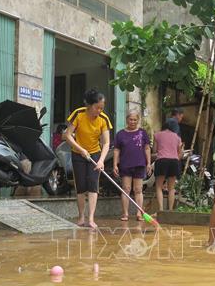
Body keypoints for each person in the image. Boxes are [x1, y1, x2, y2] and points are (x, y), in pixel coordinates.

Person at [63, 89, 112, 229]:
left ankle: (90, 219)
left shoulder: (103, 119)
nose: (100, 111)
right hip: (78, 153)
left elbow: (107, 142)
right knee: (81, 187)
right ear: (90, 105)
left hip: (95, 154)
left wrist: (101, 160)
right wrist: (81, 149)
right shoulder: (79, 114)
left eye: (102, 108)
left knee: (92, 184)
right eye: (98, 107)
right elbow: (67, 135)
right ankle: (81, 217)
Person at [113, 110, 151, 221]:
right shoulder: (120, 134)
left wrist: (148, 163)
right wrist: (115, 164)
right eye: (131, 119)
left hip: (139, 164)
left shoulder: (142, 133)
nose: (133, 122)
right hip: (125, 165)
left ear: (138, 120)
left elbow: (147, 148)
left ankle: (139, 213)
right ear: (127, 120)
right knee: (126, 189)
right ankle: (125, 214)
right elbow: (116, 150)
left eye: (135, 120)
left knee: (138, 189)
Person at [153, 119, 182, 211]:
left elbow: (155, 150)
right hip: (174, 161)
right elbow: (179, 154)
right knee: (171, 188)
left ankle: (161, 210)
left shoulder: (157, 135)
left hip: (161, 161)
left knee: (158, 186)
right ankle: (170, 210)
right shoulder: (177, 137)